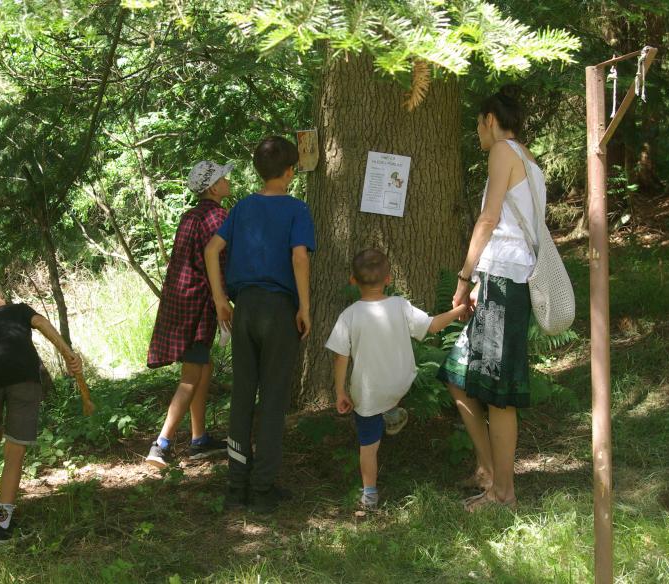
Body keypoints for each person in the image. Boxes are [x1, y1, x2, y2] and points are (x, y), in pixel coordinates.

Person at [437, 85, 545, 511]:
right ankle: (490, 471)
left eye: (478, 124)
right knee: (457, 375)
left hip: (504, 281)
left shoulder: (503, 151)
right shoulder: (530, 161)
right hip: (499, 280)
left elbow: (489, 218)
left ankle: (504, 494)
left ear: (489, 120)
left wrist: (464, 277)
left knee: (498, 394)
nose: (478, 133)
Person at [204, 136, 316, 514]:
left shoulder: (242, 208)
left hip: (245, 308)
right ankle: (263, 489)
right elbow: (299, 258)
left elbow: (211, 249)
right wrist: (304, 306)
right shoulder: (297, 209)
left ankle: (236, 488)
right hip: (279, 310)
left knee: (241, 396)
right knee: (271, 400)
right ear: (290, 172)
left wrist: (221, 300)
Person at [327, 249, 470, 510]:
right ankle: (391, 412)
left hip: (368, 394)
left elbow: (340, 357)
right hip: (401, 382)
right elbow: (432, 326)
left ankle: (369, 493)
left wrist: (340, 392)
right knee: (389, 391)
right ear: (389, 279)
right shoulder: (399, 305)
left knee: (368, 447)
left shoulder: (348, 316)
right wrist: (460, 308)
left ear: (352, 280)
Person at [0, 281, 82, 541]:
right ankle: (3, 523)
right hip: (23, 378)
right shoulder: (18, 310)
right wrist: (68, 354)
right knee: (15, 451)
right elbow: (43, 324)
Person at [145, 161, 233, 468]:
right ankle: (162, 443)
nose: (228, 181)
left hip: (180, 305)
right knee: (191, 375)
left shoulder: (190, 216)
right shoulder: (218, 217)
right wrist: (225, 298)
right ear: (212, 187)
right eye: (223, 178)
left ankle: (199, 440)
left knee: (203, 367)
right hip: (198, 308)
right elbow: (220, 264)